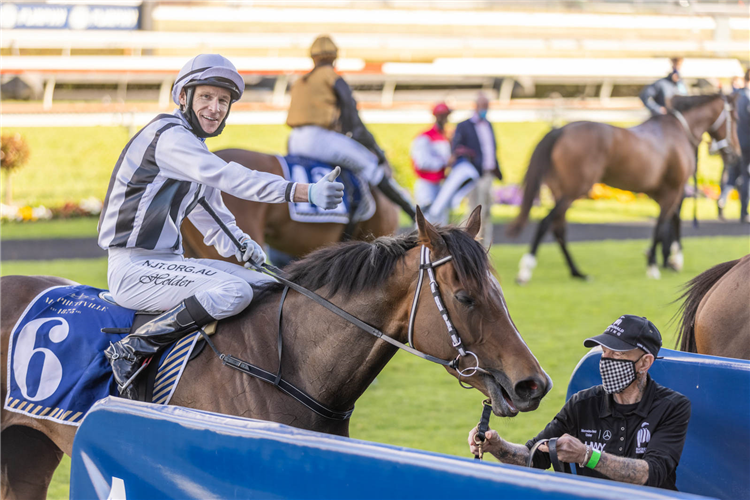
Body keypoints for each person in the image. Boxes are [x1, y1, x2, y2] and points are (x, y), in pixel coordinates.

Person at [98, 54, 345, 399]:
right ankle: (133, 347)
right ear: (182, 97)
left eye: (223, 101)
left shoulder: (193, 147)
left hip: (168, 265)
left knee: (267, 286)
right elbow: (230, 177)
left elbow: (212, 216)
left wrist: (246, 250)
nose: (215, 108)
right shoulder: (169, 137)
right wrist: (301, 191)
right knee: (235, 292)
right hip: (133, 268)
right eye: (206, 97)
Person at [468, 315, 691, 490]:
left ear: (645, 363)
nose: (606, 361)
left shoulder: (673, 407)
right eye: (604, 352)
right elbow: (533, 458)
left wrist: (587, 456)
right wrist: (496, 445)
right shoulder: (583, 403)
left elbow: (650, 473)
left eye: (618, 354)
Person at [286, 35, 416, 220]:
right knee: (371, 167)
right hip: (320, 140)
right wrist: (377, 151)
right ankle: (413, 213)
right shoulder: (332, 77)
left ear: (312, 58)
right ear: (334, 58)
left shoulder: (299, 81)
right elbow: (353, 122)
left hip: (294, 141)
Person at [451, 92, 502, 247]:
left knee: (486, 212)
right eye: (483, 106)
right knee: (474, 212)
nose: (485, 110)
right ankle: (466, 245)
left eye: (487, 107)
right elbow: (456, 149)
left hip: (488, 174)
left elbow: (491, 150)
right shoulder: (465, 126)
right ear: (476, 106)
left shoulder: (488, 125)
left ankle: (484, 246)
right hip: (474, 175)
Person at [410, 102, 453, 224]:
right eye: (442, 116)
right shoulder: (424, 137)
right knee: (425, 223)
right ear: (436, 116)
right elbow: (422, 163)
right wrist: (445, 162)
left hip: (440, 184)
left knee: (441, 223)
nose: (445, 119)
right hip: (426, 184)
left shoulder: (445, 137)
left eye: (446, 116)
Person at [718, 69, 749, 223]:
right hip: (744, 146)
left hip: (735, 144)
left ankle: (723, 200)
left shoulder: (735, 98)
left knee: (732, 176)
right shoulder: (742, 98)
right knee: (744, 177)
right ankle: (744, 213)